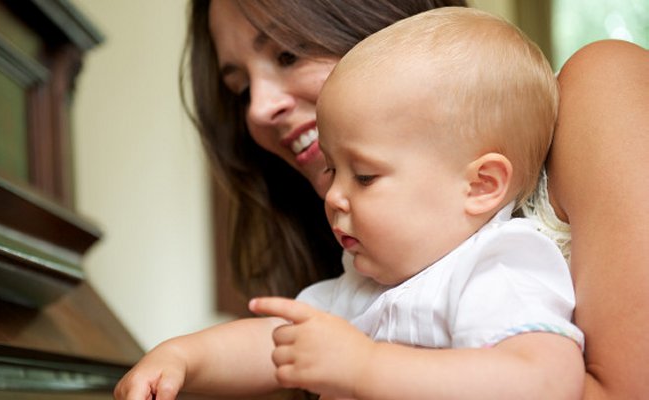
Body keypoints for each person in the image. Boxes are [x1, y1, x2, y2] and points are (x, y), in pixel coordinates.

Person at [116, 0, 649, 398]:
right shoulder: (366, 279)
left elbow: (548, 381)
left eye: (286, 52)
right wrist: (183, 355)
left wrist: (367, 367)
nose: (257, 109)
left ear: (482, 184)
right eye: (239, 89)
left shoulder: (497, 265)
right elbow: (271, 341)